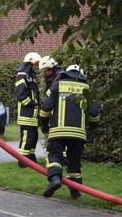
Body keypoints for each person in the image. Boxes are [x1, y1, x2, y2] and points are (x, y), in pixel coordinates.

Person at [38, 64, 99, 199]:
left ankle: (55, 179)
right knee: (74, 163)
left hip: (58, 131)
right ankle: (75, 193)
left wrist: (44, 126)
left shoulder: (56, 85)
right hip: (78, 133)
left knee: (54, 156)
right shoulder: (87, 89)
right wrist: (92, 128)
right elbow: (94, 112)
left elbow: (45, 108)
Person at [14, 52, 42, 167]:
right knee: (27, 137)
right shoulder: (22, 75)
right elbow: (21, 95)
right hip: (26, 113)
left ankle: (30, 158)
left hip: (32, 114)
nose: (37, 67)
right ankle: (22, 161)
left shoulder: (30, 76)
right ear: (31, 64)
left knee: (33, 137)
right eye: (36, 65)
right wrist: (33, 104)